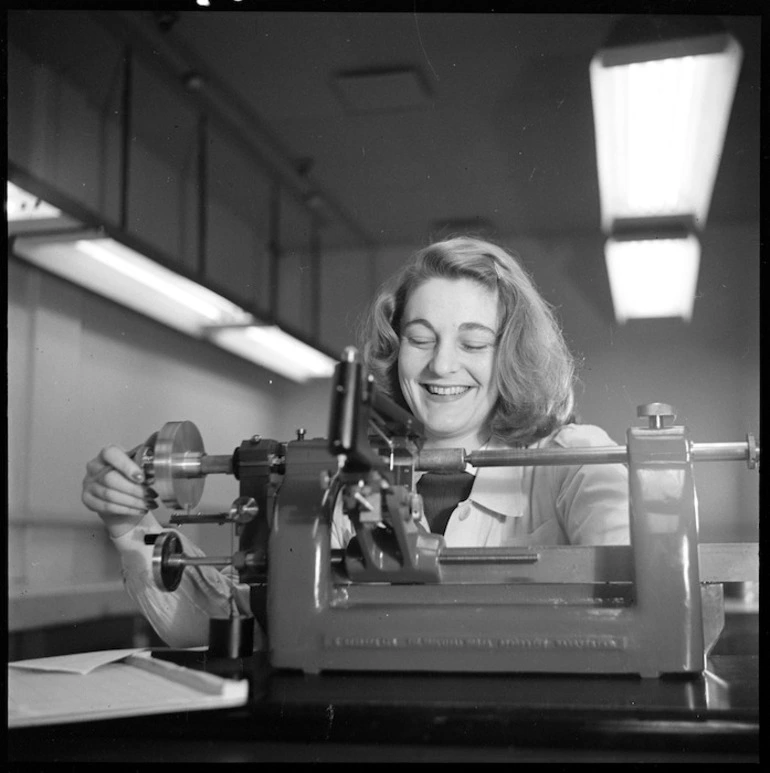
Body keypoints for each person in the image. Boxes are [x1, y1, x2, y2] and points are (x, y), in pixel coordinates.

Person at [82, 236, 629, 649]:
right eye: (420, 338)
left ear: (509, 355)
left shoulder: (572, 459)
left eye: (474, 342)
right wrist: (132, 529)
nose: (441, 364)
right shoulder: (349, 486)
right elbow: (224, 618)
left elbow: (645, 581)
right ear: (396, 346)